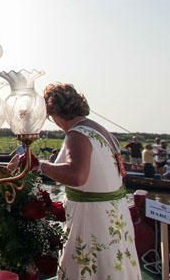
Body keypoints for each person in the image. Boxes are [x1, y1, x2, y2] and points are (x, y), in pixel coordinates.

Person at [21, 83, 140, 279]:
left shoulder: (77, 135)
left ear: (53, 112)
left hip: (92, 221)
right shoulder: (100, 131)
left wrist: (38, 165)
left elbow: (77, 176)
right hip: (114, 215)